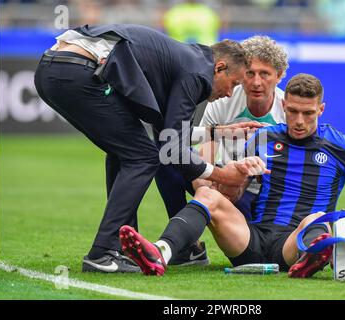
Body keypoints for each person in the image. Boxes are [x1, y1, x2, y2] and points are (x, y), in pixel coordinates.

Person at [119, 73, 345, 277]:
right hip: (251, 240)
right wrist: (237, 174)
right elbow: (232, 196)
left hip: (294, 241)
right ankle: (160, 252)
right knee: (207, 194)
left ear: (321, 110)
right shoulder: (262, 137)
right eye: (294, 111)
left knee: (318, 220)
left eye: (308, 113)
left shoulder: (340, 146)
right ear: (284, 106)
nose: (299, 121)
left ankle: (312, 254)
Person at [34, 24, 252, 273]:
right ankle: (103, 252)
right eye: (233, 83)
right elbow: (174, 149)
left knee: (126, 153)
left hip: (52, 69)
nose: (229, 93)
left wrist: (214, 132)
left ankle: (122, 247)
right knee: (143, 158)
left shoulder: (187, 61)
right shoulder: (198, 73)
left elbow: (168, 137)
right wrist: (222, 175)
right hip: (76, 71)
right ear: (219, 68)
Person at [154, 35, 288, 266]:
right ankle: (188, 248)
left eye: (264, 74)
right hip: (222, 181)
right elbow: (203, 157)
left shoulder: (288, 111)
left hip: (263, 194)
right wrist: (208, 190)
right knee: (167, 156)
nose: (256, 82)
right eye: (250, 73)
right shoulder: (223, 100)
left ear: (279, 76)